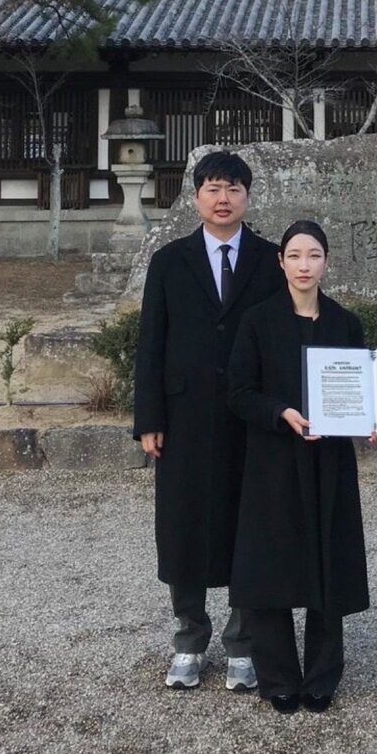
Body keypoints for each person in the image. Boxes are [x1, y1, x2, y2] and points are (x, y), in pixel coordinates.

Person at [133, 150, 283, 692]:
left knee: (250, 524)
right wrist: (149, 417)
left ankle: (244, 641)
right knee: (183, 526)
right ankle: (189, 637)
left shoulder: (271, 259)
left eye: (233, 189)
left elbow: (287, 335)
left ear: (248, 196)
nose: (223, 199)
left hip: (250, 414)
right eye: (213, 189)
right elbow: (151, 343)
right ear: (196, 196)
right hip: (184, 415)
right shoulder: (170, 261)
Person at [228, 221, 373, 715]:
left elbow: (361, 387)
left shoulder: (345, 323)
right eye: (294, 255)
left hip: (329, 460)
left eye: (313, 255)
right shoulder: (258, 321)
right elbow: (239, 392)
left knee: (326, 561)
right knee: (271, 566)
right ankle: (278, 678)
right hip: (272, 460)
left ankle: (322, 676)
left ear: (326, 262)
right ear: (281, 262)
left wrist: (372, 420)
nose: (304, 265)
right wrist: (281, 413)